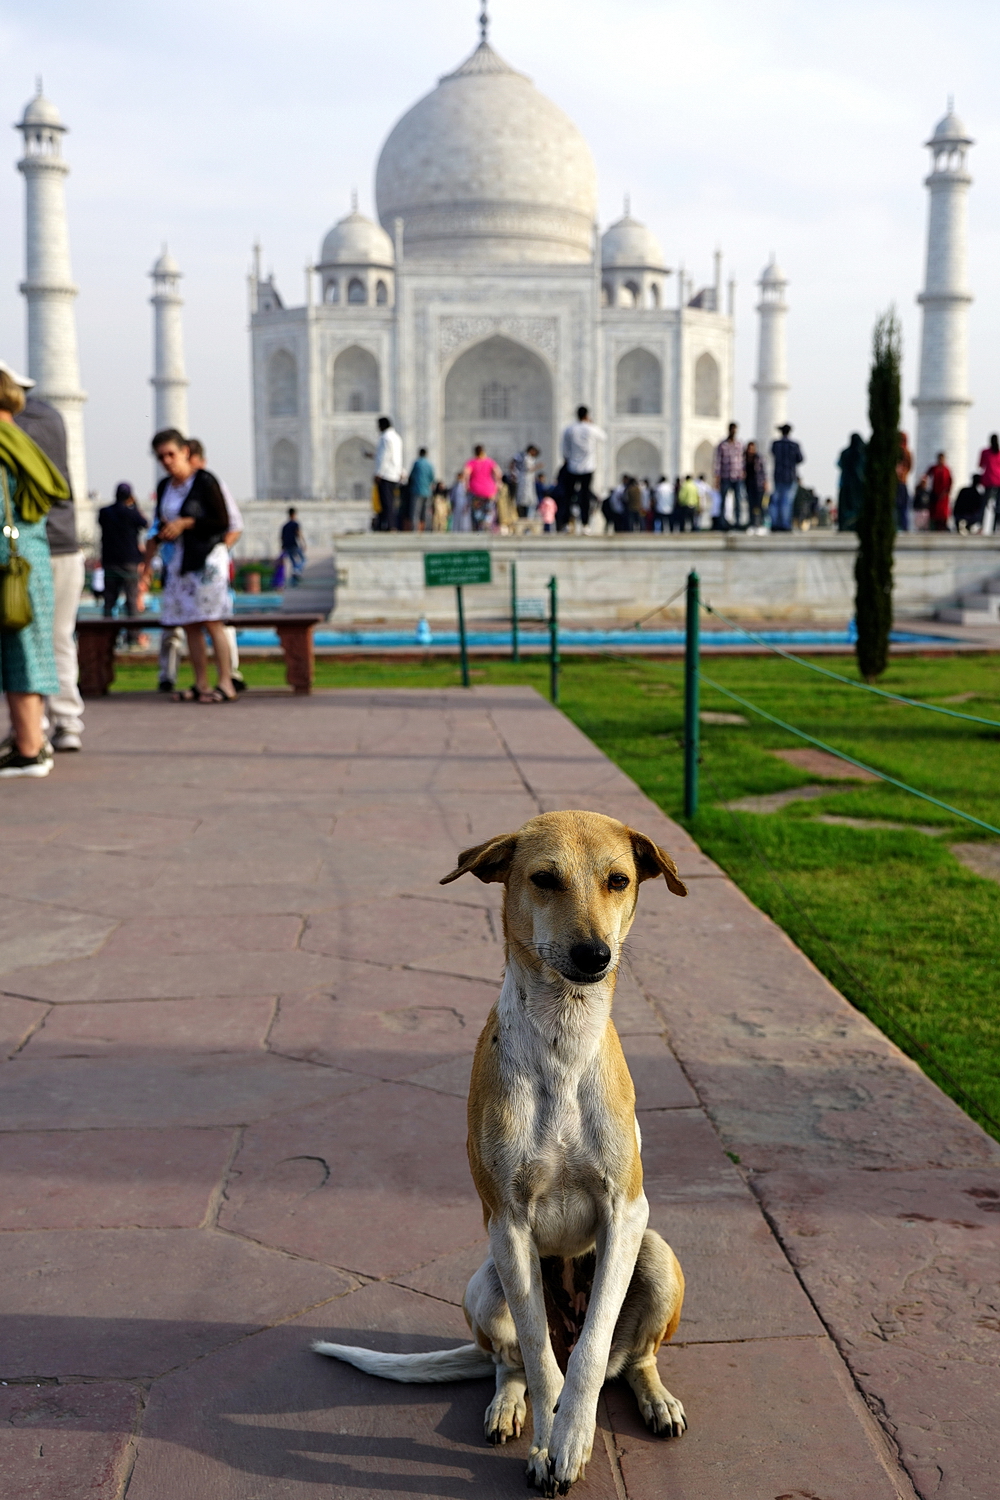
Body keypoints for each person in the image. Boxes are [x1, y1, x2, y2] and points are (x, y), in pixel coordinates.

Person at [4, 359, 85, 753]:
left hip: (35, 550)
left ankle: (42, 732)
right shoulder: (50, 416)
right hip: (61, 546)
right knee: (54, 639)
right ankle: (54, 726)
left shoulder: (20, 428)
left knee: (32, 643)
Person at [146, 428, 236, 703]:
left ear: (185, 452)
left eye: (171, 454)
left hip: (206, 559)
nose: (167, 461)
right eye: (161, 457)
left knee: (211, 621)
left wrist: (187, 522)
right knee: (189, 624)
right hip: (179, 560)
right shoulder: (165, 487)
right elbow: (160, 522)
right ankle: (201, 684)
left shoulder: (205, 482)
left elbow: (223, 522)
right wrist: (149, 558)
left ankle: (226, 683)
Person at [98, 483, 147, 643]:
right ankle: (133, 637)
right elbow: (145, 523)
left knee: (109, 601)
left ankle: (107, 636)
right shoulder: (132, 514)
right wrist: (135, 505)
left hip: (110, 561)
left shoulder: (104, 513)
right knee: (132, 601)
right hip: (129, 562)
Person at [559, 406, 606, 530]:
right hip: (588, 468)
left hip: (572, 467)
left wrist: (568, 459)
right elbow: (603, 437)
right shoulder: (592, 429)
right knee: (585, 497)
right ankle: (585, 524)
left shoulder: (569, 429)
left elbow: (564, 450)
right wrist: (592, 424)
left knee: (568, 496)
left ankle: (567, 524)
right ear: (587, 415)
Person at [770, 424, 803, 532]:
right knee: (786, 501)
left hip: (778, 475)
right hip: (790, 475)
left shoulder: (776, 444)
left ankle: (775, 523)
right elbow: (800, 459)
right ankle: (784, 524)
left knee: (776, 501)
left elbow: (773, 454)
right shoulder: (794, 445)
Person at [373, 416, 403, 531]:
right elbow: (396, 457)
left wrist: (378, 473)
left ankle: (388, 526)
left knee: (385, 502)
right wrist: (400, 471)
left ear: (383, 425)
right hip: (394, 474)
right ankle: (390, 525)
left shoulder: (385, 438)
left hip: (386, 474)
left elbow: (384, 457)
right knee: (390, 501)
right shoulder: (396, 437)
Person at [463, 445, 502, 531]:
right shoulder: (489, 462)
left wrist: (466, 485)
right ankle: (486, 525)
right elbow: (498, 473)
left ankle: (479, 527)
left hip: (476, 490)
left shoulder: (471, 462)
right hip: (489, 490)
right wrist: (497, 484)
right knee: (489, 510)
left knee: (477, 510)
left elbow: (466, 474)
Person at [714, 422, 745, 529]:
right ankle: (722, 523)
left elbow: (742, 460)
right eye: (732, 430)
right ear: (729, 430)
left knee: (738, 500)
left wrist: (743, 472)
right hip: (725, 476)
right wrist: (717, 478)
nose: (734, 432)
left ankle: (738, 522)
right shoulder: (722, 445)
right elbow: (717, 462)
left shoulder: (739, 444)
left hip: (737, 477)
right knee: (723, 501)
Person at [837, 434, 866, 532]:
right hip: (859, 485)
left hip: (846, 483)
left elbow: (839, 464)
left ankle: (845, 525)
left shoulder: (845, 452)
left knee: (845, 507)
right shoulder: (862, 453)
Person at [977, 434, 1000, 535]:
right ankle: (994, 528)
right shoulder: (999, 453)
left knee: (984, 505)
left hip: (988, 481)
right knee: (998, 507)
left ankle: (981, 527)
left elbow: (980, 465)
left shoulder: (985, 452)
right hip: (998, 480)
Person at [408, 448, 435, 531]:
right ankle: (427, 529)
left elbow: (411, 476)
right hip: (427, 491)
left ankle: (415, 529)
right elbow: (432, 478)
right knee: (426, 512)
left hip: (417, 490)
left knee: (416, 512)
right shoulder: (429, 464)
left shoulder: (417, 463)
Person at [925, 452, 952, 531]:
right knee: (934, 514)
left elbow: (950, 482)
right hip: (934, 495)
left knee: (943, 515)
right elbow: (926, 477)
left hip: (943, 497)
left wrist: (946, 492)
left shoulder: (947, 470)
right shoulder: (933, 468)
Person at [511, 445, 541, 519]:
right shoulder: (525, 457)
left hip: (528, 482)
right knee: (526, 501)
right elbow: (528, 468)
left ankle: (528, 517)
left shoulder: (528, 458)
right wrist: (537, 466)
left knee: (530, 501)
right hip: (525, 482)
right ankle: (526, 517)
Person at [744, 442, 766, 532]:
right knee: (751, 505)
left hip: (759, 485)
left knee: (759, 505)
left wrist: (765, 482)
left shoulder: (759, 458)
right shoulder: (744, 458)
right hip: (749, 485)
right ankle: (752, 523)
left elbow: (763, 471)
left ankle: (760, 523)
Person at [280, 506, 305, 582]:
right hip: (294, 545)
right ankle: (296, 570)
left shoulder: (285, 526)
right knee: (303, 559)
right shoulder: (295, 524)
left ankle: (294, 580)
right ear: (294, 514)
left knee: (293, 562)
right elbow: (299, 534)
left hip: (287, 546)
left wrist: (283, 547)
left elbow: (282, 537)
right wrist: (303, 543)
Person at [896, 432, 913, 533]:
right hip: (901, 482)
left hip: (901, 482)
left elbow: (909, 466)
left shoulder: (905, 452)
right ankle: (902, 527)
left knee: (901, 507)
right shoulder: (906, 451)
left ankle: (902, 526)